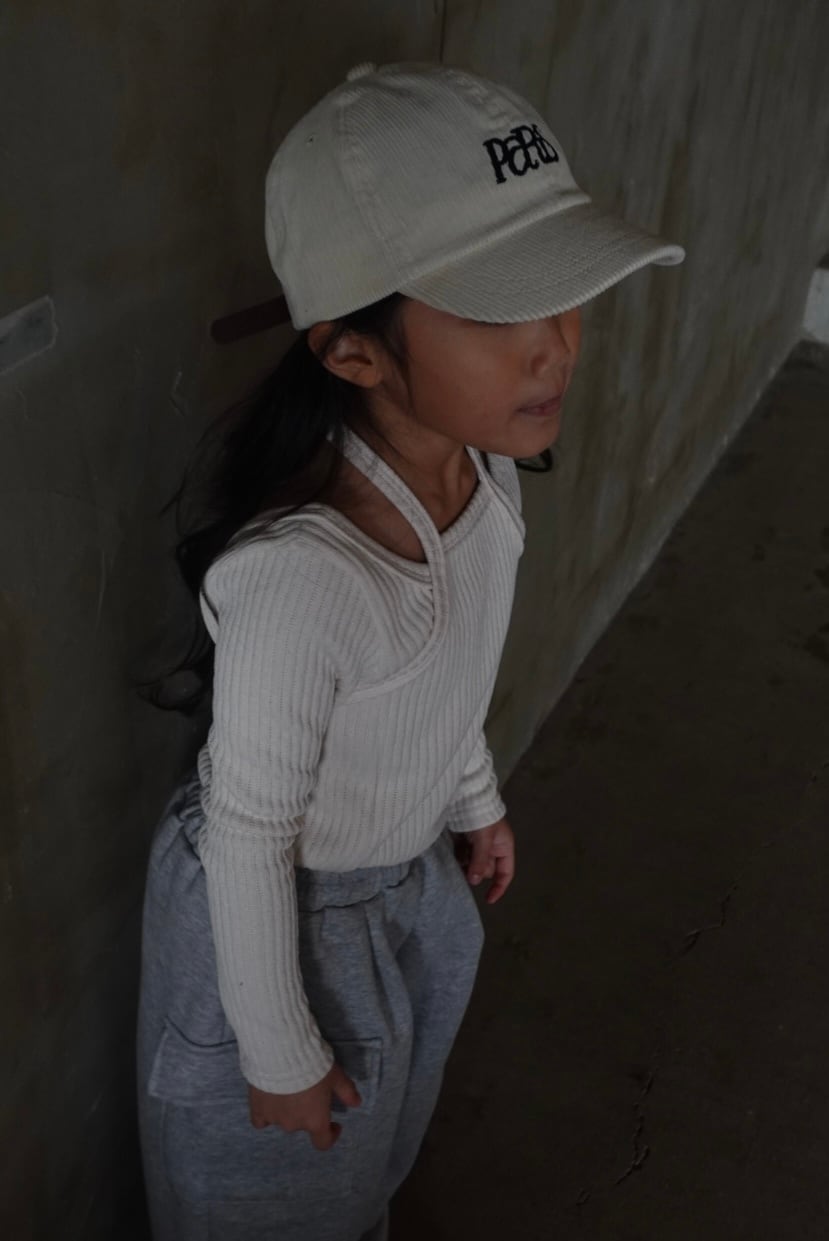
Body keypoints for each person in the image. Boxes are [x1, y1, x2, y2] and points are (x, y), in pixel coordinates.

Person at [136, 60, 684, 1241]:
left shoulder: (486, 477)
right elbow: (248, 832)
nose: (555, 347)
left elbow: (447, 670)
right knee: (273, 1194)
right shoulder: (304, 576)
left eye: (565, 296)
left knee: (365, 1158)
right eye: (499, 311)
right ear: (352, 352)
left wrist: (470, 793)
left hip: (402, 881)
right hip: (274, 920)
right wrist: (276, 1048)